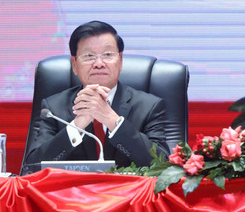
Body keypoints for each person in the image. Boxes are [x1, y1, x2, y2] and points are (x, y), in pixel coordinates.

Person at [25, 21, 170, 168]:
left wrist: (111, 120)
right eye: (89, 56)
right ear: (74, 64)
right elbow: (32, 168)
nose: (99, 63)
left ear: (120, 60)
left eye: (107, 54)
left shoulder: (149, 107)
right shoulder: (53, 108)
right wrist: (77, 126)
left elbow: (162, 165)